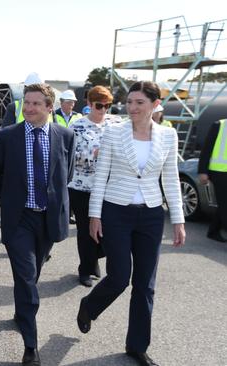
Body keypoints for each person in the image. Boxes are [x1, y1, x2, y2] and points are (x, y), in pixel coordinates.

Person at [77, 81, 186, 366]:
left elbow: (171, 179)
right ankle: (90, 304)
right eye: (130, 102)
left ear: (155, 105)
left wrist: (178, 220)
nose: (133, 108)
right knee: (119, 277)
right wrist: (94, 215)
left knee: (145, 284)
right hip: (116, 211)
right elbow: (100, 176)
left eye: (140, 102)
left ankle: (137, 346)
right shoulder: (114, 132)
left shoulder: (168, 136)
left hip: (150, 214)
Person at [0, 83, 74, 365]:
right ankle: (30, 344)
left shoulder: (65, 136)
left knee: (32, 275)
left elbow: (65, 174)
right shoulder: (6, 136)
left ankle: (20, 311)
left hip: (47, 219)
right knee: (25, 278)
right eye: (27, 102)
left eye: (37, 103)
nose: (30, 108)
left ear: (50, 107)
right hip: (19, 219)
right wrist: (9, 202)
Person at [67, 86, 122, 287]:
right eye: (99, 105)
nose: (104, 110)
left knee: (109, 230)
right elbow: (70, 157)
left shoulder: (117, 124)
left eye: (108, 105)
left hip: (109, 187)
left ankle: (94, 258)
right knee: (85, 230)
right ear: (89, 105)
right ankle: (85, 269)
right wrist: (93, 155)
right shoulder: (76, 127)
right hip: (82, 187)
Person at [198, 118, 227, 242]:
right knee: (225, 204)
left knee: (223, 204)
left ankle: (213, 231)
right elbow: (206, 149)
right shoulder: (219, 125)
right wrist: (202, 171)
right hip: (219, 172)